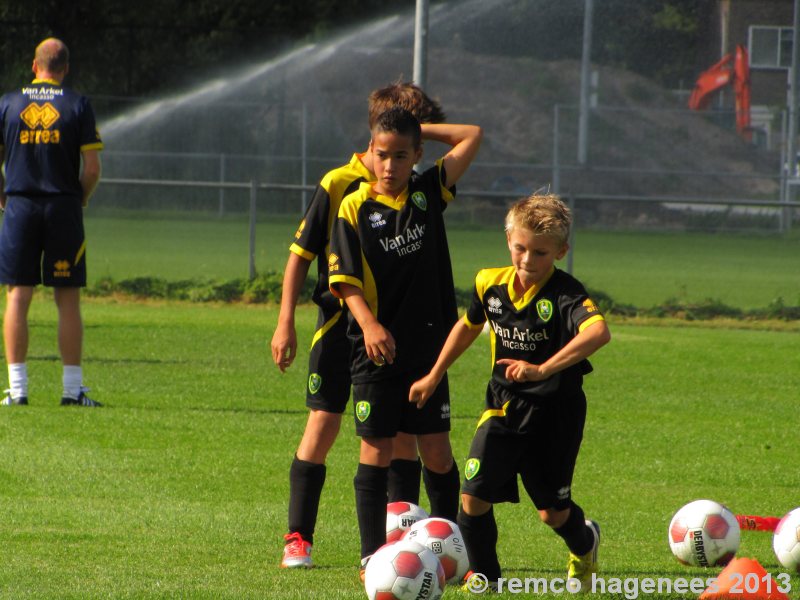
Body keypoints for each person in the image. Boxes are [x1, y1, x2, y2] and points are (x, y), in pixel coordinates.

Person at [271, 83, 447, 568]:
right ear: (373, 134)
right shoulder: (339, 183)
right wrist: (285, 320)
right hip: (339, 327)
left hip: (398, 335)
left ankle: (398, 541)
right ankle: (298, 537)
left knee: (400, 437)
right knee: (323, 426)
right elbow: (300, 256)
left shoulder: (415, 187)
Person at [409, 193, 611, 591]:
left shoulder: (566, 293)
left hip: (557, 413)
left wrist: (542, 369)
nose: (527, 260)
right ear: (508, 241)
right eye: (520, 248)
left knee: (552, 513)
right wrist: (434, 374)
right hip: (502, 407)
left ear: (560, 251)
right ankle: (486, 577)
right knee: (473, 496)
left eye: (540, 252)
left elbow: (598, 332)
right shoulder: (489, 283)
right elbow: (468, 325)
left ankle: (585, 543)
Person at [328, 107, 482, 577]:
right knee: (374, 451)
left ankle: (452, 549)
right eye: (381, 154)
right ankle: (371, 554)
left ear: (417, 155)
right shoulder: (353, 206)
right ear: (369, 154)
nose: (390, 165)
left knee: (436, 449)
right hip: (374, 351)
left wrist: (420, 129)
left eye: (401, 155)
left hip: (427, 350)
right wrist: (371, 326)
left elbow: (471, 135)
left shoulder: (428, 191)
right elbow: (344, 279)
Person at [0, 38, 103, 407]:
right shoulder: (78, 104)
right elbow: (91, 169)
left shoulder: (8, 104)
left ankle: (18, 389)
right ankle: (72, 391)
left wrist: (4, 199)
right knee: (67, 299)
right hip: (62, 209)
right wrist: (79, 199)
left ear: (34, 65)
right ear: (66, 68)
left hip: (19, 207)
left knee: (18, 295)